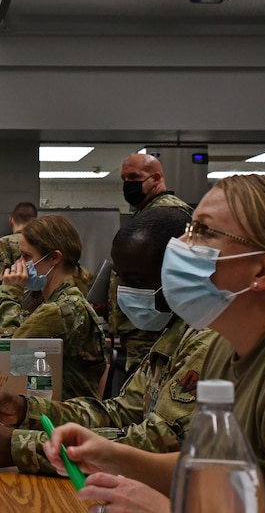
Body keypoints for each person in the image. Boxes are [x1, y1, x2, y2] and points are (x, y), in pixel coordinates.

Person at [44, 175, 265, 512]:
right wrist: (114, 456)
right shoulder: (226, 348)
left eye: (203, 232)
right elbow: (216, 472)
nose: (179, 244)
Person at [0, 207, 216, 473]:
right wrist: (24, 409)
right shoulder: (175, 333)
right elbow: (120, 413)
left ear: (177, 275)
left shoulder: (206, 343)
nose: (122, 292)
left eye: (135, 280)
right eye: (120, 279)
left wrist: (17, 446)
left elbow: (160, 442)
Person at [0, 214, 107, 399]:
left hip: (56, 413)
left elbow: (4, 360)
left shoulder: (58, 311)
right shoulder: (64, 301)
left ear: (54, 258)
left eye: (27, 256)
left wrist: (10, 291)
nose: (19, 264)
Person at [110, 154, 194, 377]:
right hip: (141, 329)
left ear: (156, 178)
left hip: (156, 330)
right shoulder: (147, 212)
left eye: (134, 177)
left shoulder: (168, 215)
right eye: (124, 179)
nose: (128, 184)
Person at [0, 201, 38, 296]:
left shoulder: (4, 243)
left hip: (10, 298)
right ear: (36, 222)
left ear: (11, 221)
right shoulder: (42, 241)